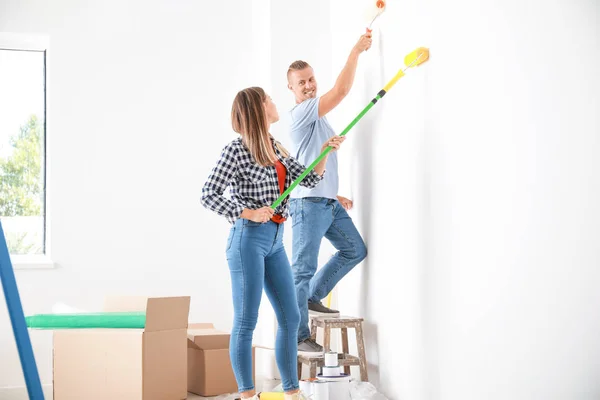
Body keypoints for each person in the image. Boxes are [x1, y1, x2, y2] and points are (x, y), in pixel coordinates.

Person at [201, 87, 345, 400]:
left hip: (276, 241)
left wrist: (325, 152)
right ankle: (247, 394)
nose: (274, 102)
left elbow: (306, 179)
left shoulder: (274, 147)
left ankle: (292, 393)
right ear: (258, 108)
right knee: (246, 319)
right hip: (247, 241)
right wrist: (249, 212)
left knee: (291, 317)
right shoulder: (235, 151)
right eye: (268, 99)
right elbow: (208, 194)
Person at [286, 33, 371, 354]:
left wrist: (334, 195)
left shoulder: (318, 118)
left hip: (325, 203)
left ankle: (312, 296)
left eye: (310, 79)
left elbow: (312, 162)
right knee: (301, 270)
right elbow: (342, 91)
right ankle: (297, 336)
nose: (308, 86)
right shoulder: (302, 112)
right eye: (301, 83)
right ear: (292, 89)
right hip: (307, 205)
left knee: (353, 249)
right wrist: (355, 51)